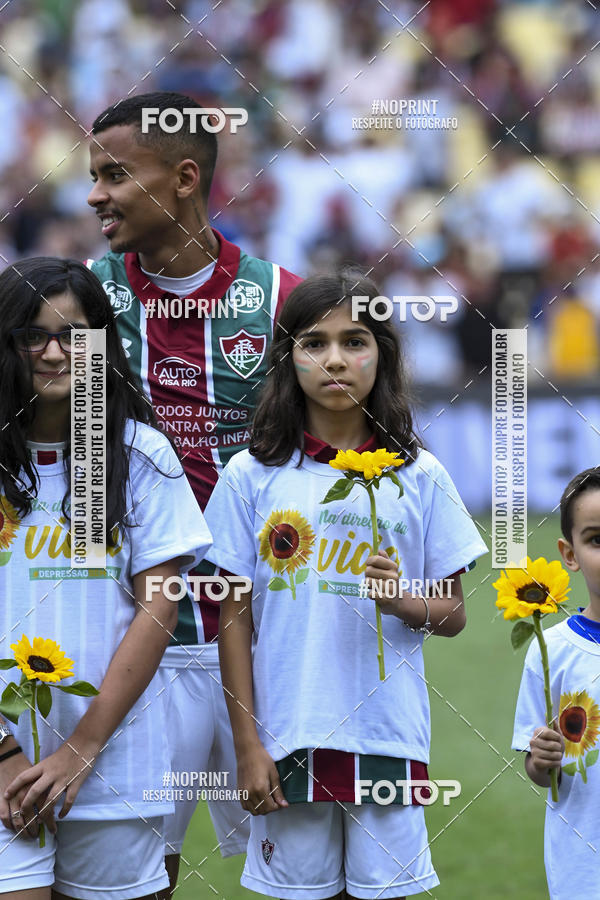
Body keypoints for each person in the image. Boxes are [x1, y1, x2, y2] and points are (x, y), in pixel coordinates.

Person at [205, 271, 488, 899]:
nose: (335, 358)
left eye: (355, 341)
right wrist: (247, 746)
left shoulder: (419, 473)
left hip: (386, 735)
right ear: (288, 357)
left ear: (382, 355)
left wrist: (403, 600)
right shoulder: (251, 475)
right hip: (285, 735)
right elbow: (231, 617)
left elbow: (453, 614)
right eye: (314, 342)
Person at [85, 91, 302, 885]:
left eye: (114, 173)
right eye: (92, 174)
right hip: (137, 638)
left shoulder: (280, 300)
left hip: (268, 638)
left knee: (299, 866)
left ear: (183, 176)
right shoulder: (78, 304)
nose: (94, 193)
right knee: (146, 870)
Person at [0, 257, 211, 899]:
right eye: (33, 335)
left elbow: (159, 611)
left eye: (75, 335)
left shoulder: (134, 454)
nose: (56, 352)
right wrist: (6, 757)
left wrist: (82, 750)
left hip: (114, 766)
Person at [513, 467, 600, 900]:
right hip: (582, 866)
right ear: (570, 554)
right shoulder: (552, 651)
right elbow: (539, 771)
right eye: (597, 540)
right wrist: (541, 759)